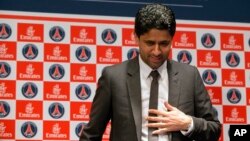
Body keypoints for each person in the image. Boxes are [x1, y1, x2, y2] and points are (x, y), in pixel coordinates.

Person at [79, 3, 221, 141]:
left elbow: (214, 129)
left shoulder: (190, 76)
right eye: (150, 43)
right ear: (136, 38)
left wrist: (188, 123)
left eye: (164, 44)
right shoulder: (113, 77)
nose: (157, 51)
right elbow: (91, 134)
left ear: (172, 39)